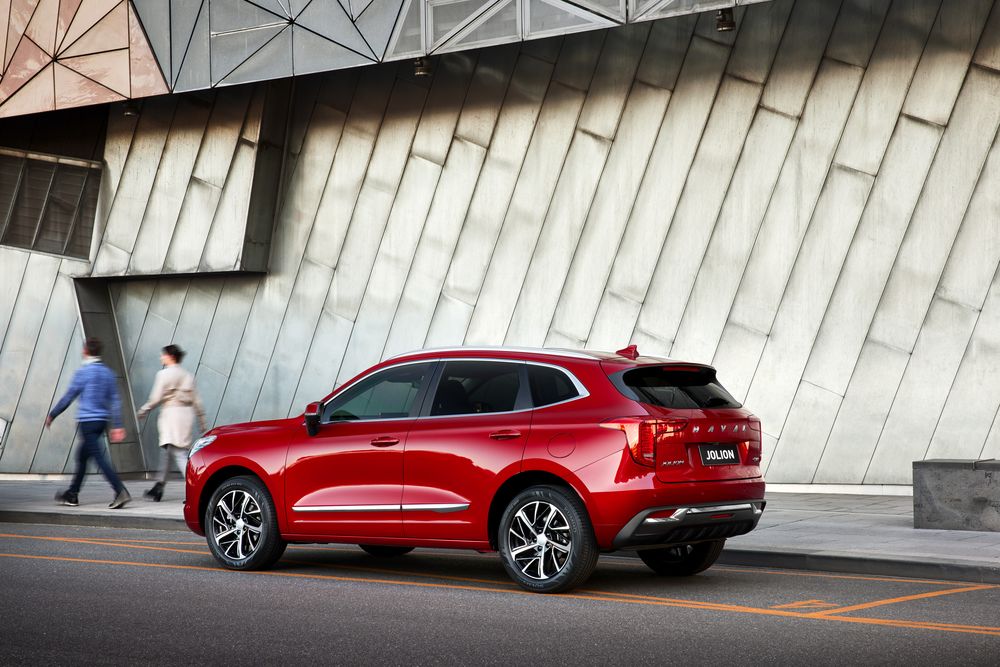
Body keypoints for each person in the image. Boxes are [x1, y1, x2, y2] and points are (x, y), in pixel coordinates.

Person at [47, 337, 131, 509]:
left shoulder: (83, 373)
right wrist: (117, 424)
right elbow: (115, 400)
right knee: (82, 457)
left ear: (85, 351)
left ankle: (120, 490)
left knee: (99, 458)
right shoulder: (108, 373)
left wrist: (53, 414)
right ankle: (72, 494)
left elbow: (69, 397)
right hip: (101, 422)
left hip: (87, 422)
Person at [136, 344, 207, 502]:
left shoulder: (163, 374)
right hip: (186, 415)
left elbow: (155, 398)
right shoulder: (188, 376)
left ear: (170, 356)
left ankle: (196, 488)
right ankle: (158, 487)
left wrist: (144, 410)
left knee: (178, 453)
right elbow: (197, 401)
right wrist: (202, 420)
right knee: (168, 451)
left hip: (171, 415)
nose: (161, 358)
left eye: (163, 355)